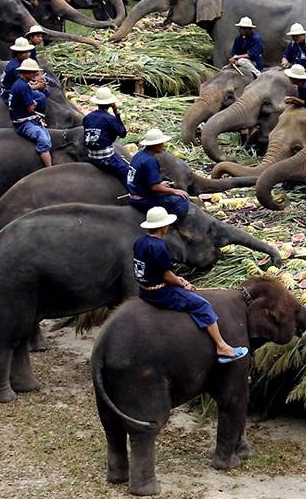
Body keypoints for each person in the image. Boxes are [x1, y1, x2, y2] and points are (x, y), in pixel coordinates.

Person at [133, 206, 249, 364]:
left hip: (143, 290)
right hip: (160, 293)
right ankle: (222, 346)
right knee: (203, 306)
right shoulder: (159, 247)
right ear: (163, 226)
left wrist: (177, 280)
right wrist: (181, 282)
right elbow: (167, 275)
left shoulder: (140, 241)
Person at [127, 128, 191, 219]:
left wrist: (160, 184)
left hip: (133, 195)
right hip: (142, 200)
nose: (163, 145)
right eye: (161, 143)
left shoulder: (139, 155)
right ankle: (170, 223)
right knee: (181, 202)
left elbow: (141, 179)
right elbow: (154, 187)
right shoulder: (150, 161)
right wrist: (175, 191)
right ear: (155, 145)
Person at [7, 58, 53, 167]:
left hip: (24, 117)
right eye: (33, 72)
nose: (36, 73)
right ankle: (49, 168)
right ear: (26, 72)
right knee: (44, 141)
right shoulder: (23, 87)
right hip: (23, 122)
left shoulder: (21, 83)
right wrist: (35, 103)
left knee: (46, 133)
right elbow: (30, 109)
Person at [83, 86, 130, 185]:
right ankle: (134, 195)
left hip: (90, 156)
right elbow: (123, 133)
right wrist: (117, 114)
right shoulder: (110, 119)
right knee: (126, 172)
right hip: (106, 157)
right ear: (110, 104)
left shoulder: (87, 117)